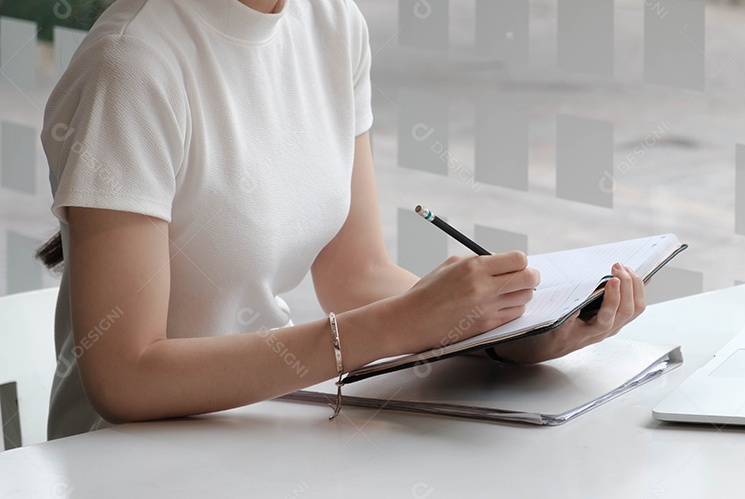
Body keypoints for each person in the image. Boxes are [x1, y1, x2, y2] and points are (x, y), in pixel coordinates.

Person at [38, 0, 647, 440]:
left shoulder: (332, 23)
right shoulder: (132, 64)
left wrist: (504, 336)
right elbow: (124, 379)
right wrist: (400, 325)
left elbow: (357, 274)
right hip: (124, 463)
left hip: (259, 428)